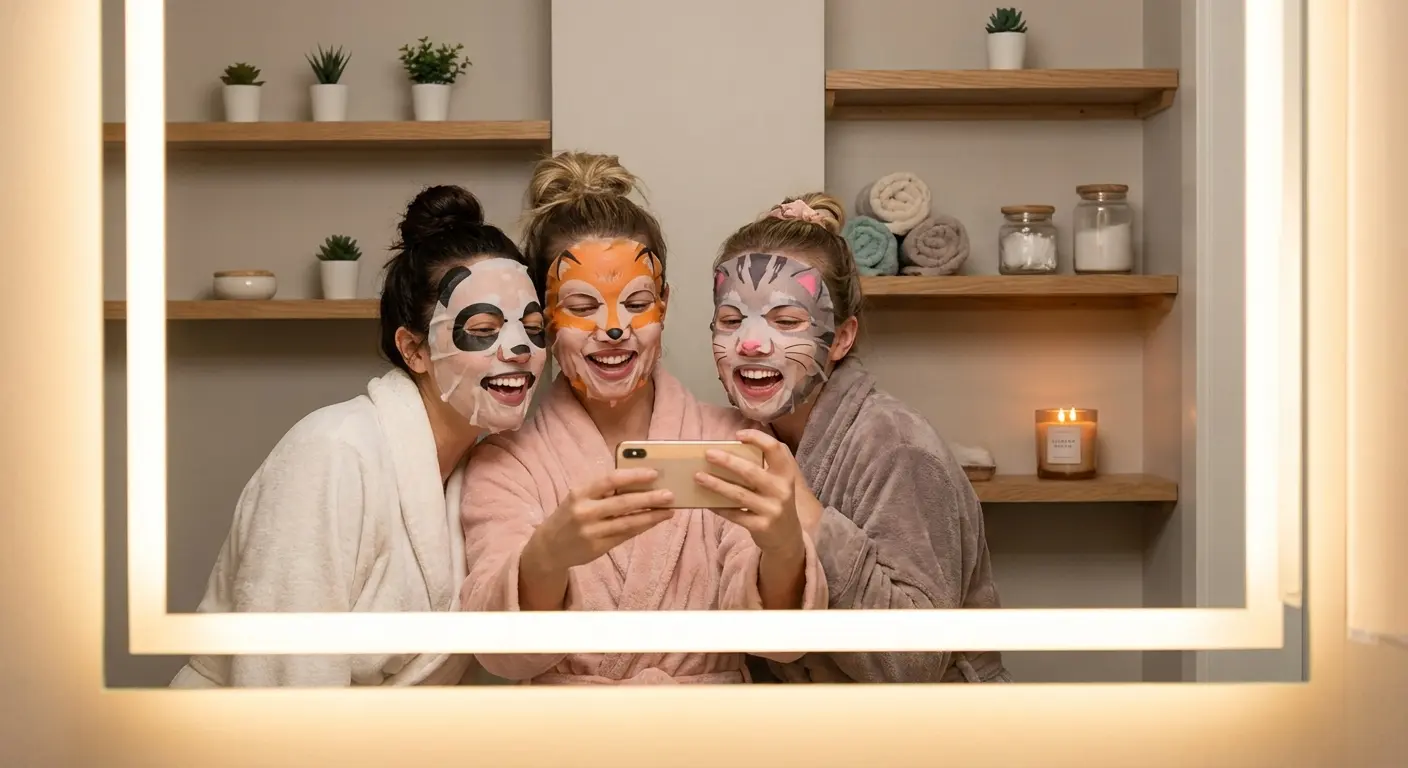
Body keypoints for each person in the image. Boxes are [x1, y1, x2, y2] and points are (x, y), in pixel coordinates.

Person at [458, 152, 827, 685]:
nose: (614, 329)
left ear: (665, 304)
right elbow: (498, 653)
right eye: (582, 306)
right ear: (544, 315)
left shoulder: (731, 440)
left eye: (636, 302)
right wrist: (547, 557)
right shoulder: (505, 462)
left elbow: (780, 646)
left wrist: (784, 546)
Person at [170, 186, 548, 687]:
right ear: (413, 349)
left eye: (534, 326)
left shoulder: (486, 476)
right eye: (483, 327)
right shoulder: (333, 452)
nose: (520, 348)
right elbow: (287, 676)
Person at [709, 193, 1012, 684]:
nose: (750, 343)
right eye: (730, 320)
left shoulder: (898, 445)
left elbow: (917, 661)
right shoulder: (751, 439)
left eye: (787, 321)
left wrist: (809, 516)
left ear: (843, 337)